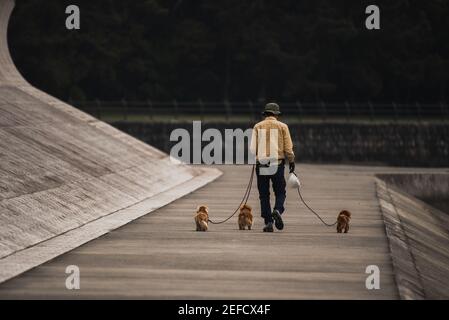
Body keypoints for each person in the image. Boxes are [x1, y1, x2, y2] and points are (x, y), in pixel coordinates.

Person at [250, 103, 295, 232]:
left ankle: (269, 222)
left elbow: (253, 149)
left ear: (265, 114)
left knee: (264, 195)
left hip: (262, 163)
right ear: (276, 114)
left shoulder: (258, 126)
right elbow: (288, 149)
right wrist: (291, 161)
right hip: (277, 163)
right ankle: (277, 210)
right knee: (280, 192)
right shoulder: (283, 126)